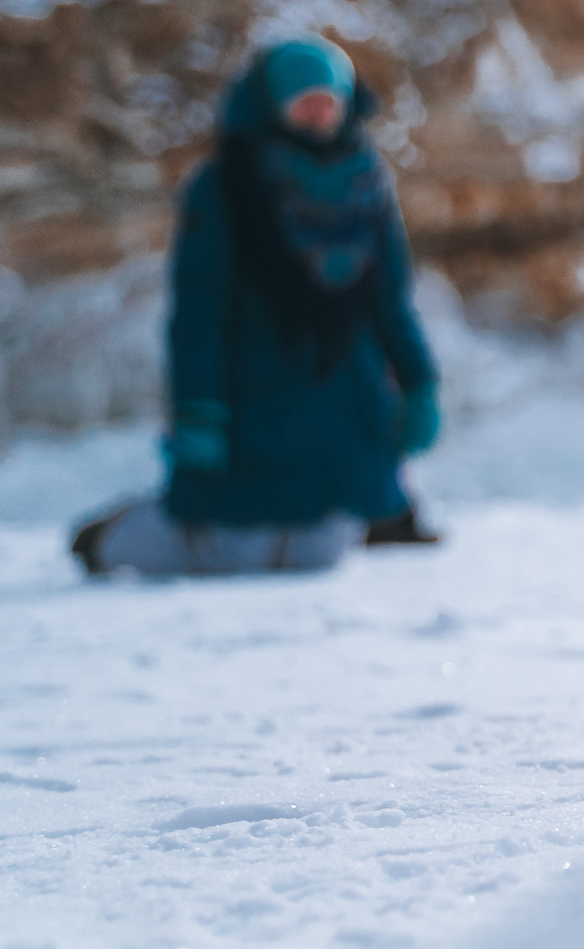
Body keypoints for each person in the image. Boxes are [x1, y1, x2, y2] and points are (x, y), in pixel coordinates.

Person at [72, 37, 443, 576]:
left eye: (328, 100)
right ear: (274, 103)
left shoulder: (367, 184)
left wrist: (419, 385)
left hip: (344, 398)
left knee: (319, 553)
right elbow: (200, 310)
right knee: (234, 551)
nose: (318, 114)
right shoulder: (225, 186)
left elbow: (390, 300)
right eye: (304, 101)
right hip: (254, 395)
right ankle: (111, 539)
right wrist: (198, 409)